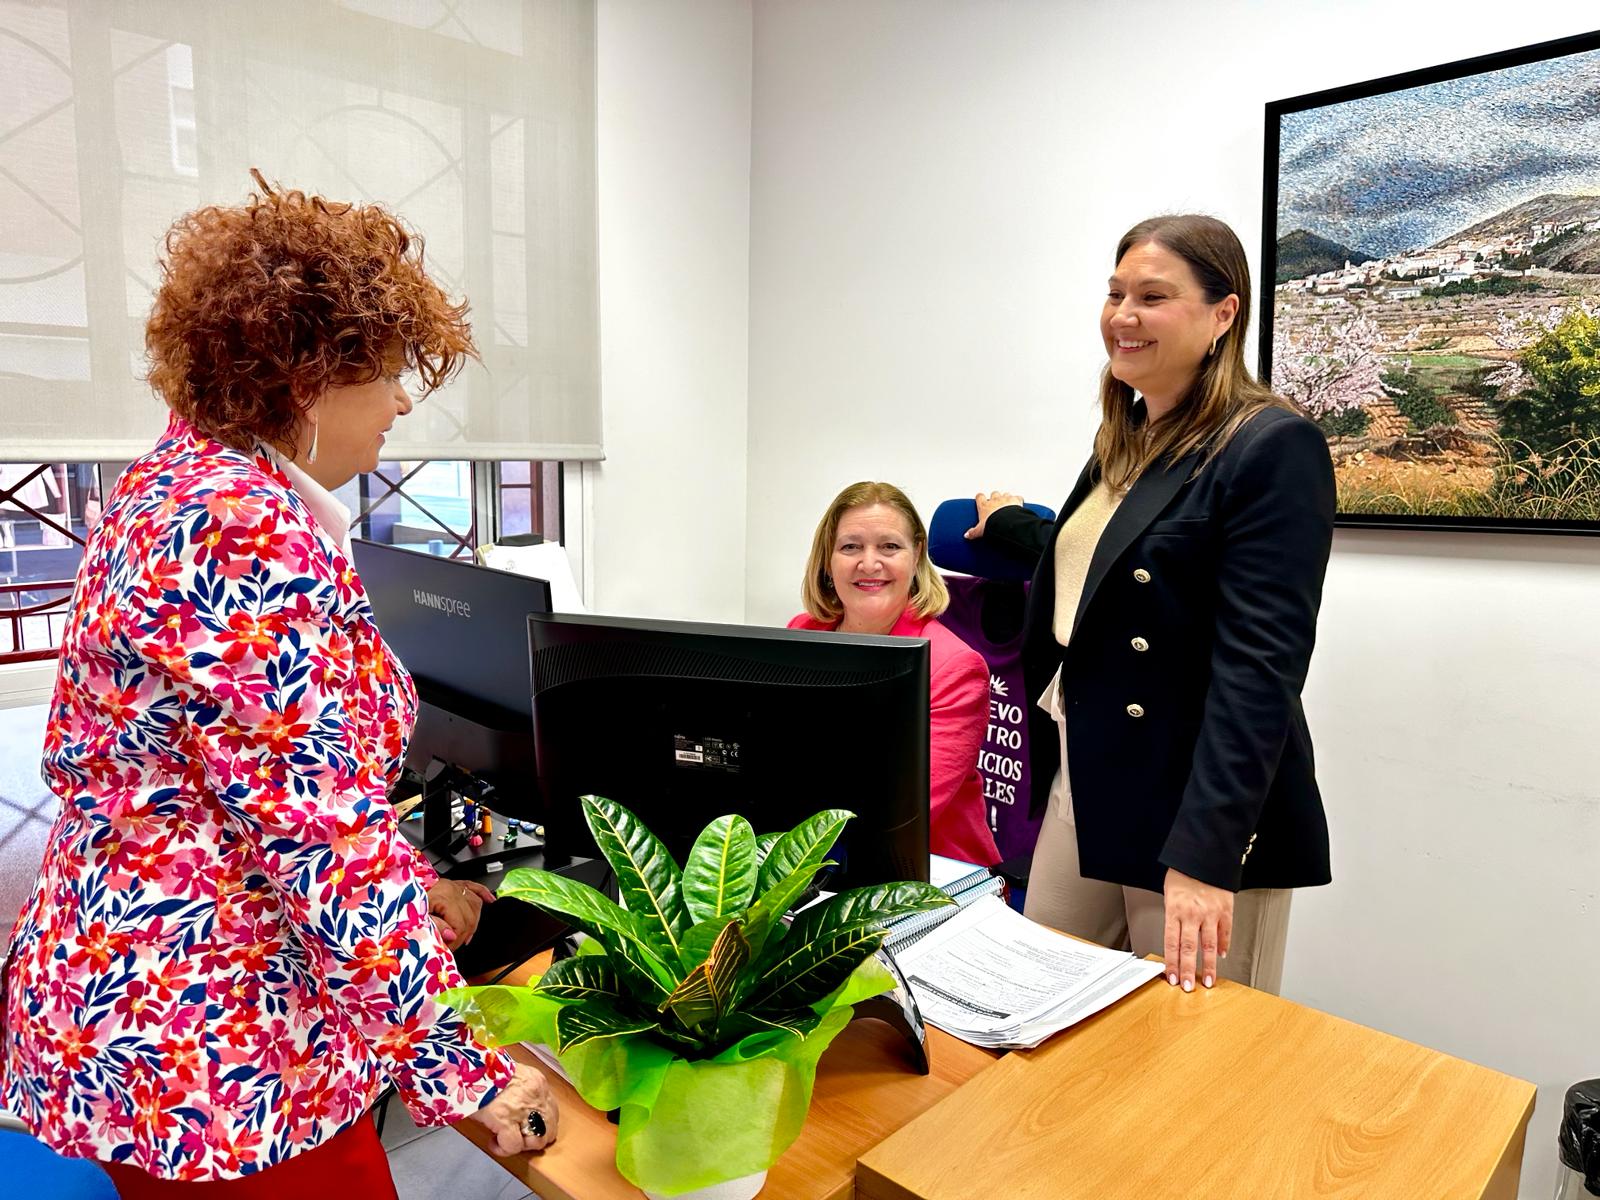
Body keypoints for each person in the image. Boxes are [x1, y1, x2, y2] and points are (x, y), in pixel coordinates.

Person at [0, 174, 557, 1194]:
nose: (397, 403)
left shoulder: (173, 480)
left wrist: (406, 884)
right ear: (307, 376)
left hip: (159, 1017)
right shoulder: (238, 525)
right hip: (212, 1050)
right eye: (388, 372)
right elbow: (317, 835)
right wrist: (465, 1070)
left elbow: (234, 790)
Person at [966, 214, 1335, 996]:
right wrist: (1012, 523)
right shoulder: (1127, 436)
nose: (1123, 316)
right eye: (1115, 293)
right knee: (1037, 999)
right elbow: (1116, 562)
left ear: (1222, 314)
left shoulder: (1269, 447)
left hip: (1196, 802)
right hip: (1091, 770)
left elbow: (1260, 671)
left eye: (1153, 296)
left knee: (1190, 1069)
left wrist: (1206, 856)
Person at [791, 482, 1002, 867]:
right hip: (814, 857)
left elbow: (902, 811)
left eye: (889, 547)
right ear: (827, 559)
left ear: (916, 555)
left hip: (928, 871)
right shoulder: (802, 634)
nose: (869, 564)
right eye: (850, 546)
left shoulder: (952, 666)